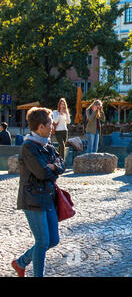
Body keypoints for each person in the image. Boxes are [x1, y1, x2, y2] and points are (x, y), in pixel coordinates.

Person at [11, 107, 65, 277]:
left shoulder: (47, 144)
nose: (52, 127)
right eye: (50, 123)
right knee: (42, 242)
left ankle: (20, 262)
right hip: (32, 199)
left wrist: (54, 166)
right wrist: (52, 169)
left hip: (47, 197)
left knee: (53, 240)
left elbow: (62, 163)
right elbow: (42, 173)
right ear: (41, 126)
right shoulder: (29, 147)